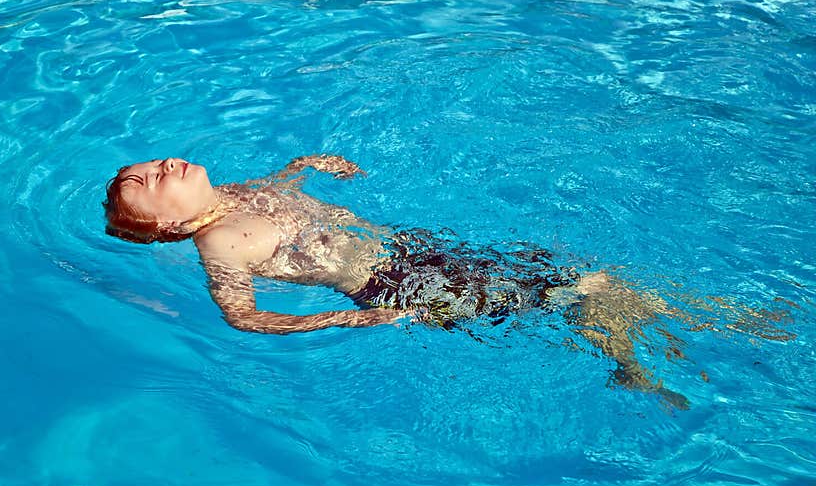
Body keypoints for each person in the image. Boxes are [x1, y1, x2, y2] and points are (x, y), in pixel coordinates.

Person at [102, 154, 794, 410]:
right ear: (166, 229)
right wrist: (343, 322)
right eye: (146, 185)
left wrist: (302, 167)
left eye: (150, 163)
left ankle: (640, 353)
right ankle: (696, 330)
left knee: (568, 285)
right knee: (589, 285)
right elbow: (242, 318)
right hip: (400, 288)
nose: (156, 168)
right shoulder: (218, 243)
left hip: (416, 253)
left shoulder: (239, 191)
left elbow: (279, 196)